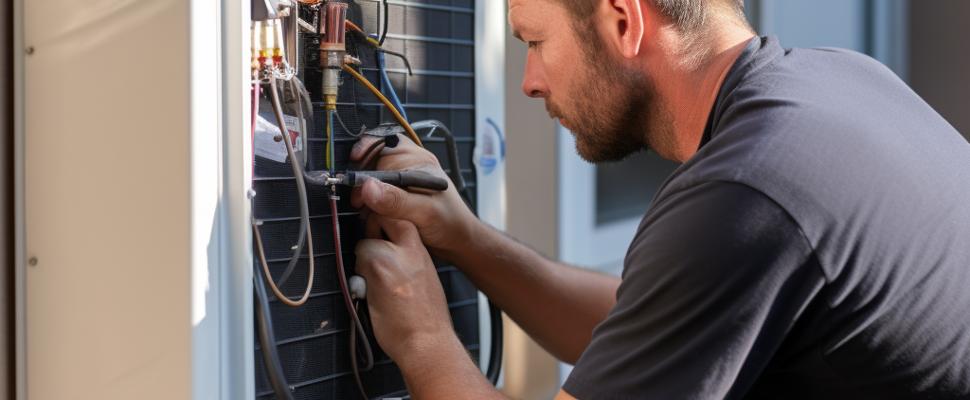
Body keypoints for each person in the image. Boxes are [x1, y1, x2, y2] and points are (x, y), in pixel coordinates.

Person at [350, 0, 970, 398]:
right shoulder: (845, 78)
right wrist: (465, 238)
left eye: (534, 42)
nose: (529, 82)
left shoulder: (746, 192)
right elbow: (650, 324)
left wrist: (423, 338)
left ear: (624, 21)